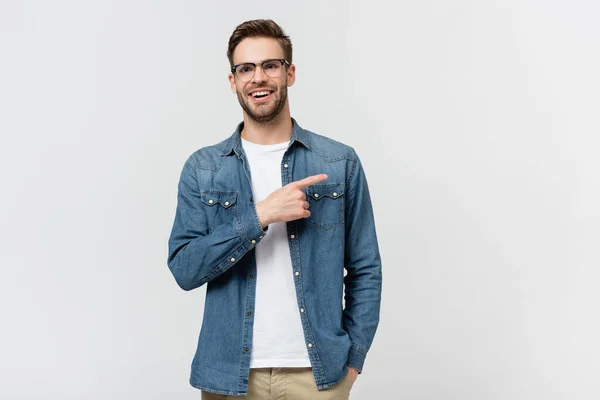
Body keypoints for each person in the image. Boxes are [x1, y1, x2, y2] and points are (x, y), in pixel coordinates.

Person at [167, 19, 382, 399]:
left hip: (319, 376)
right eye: (245, 68)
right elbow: (185, 269)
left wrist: (352, 362)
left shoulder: (337, 162)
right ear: (232, 81)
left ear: (290, 73)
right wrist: (260, 215)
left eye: (270, 65)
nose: (258, 78)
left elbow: (365, 269)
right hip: (228, 376)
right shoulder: (204, 168)